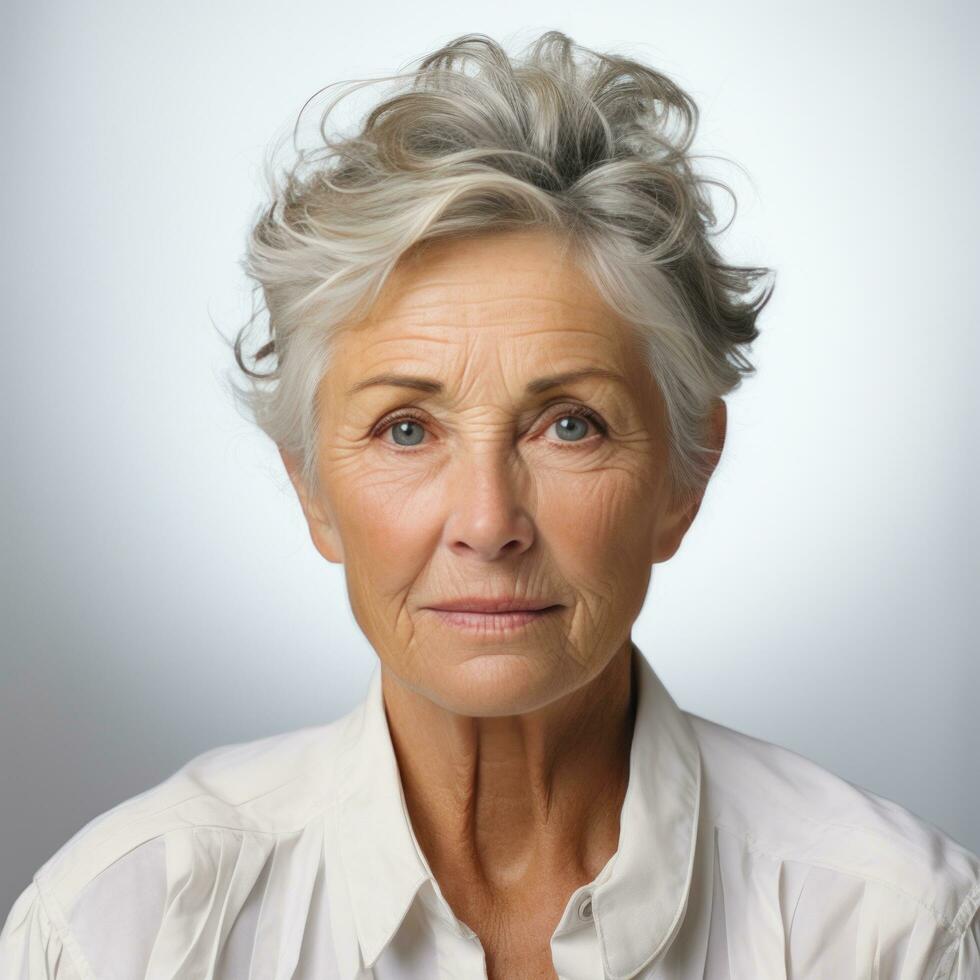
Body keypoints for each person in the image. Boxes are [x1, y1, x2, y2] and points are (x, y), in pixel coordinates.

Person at [1, 30, 976, 980]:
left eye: (567, 425)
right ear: (311, 488)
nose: (486, 521)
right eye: (406, 429)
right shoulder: (126, 930)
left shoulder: (890, 929)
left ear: (684, 476)